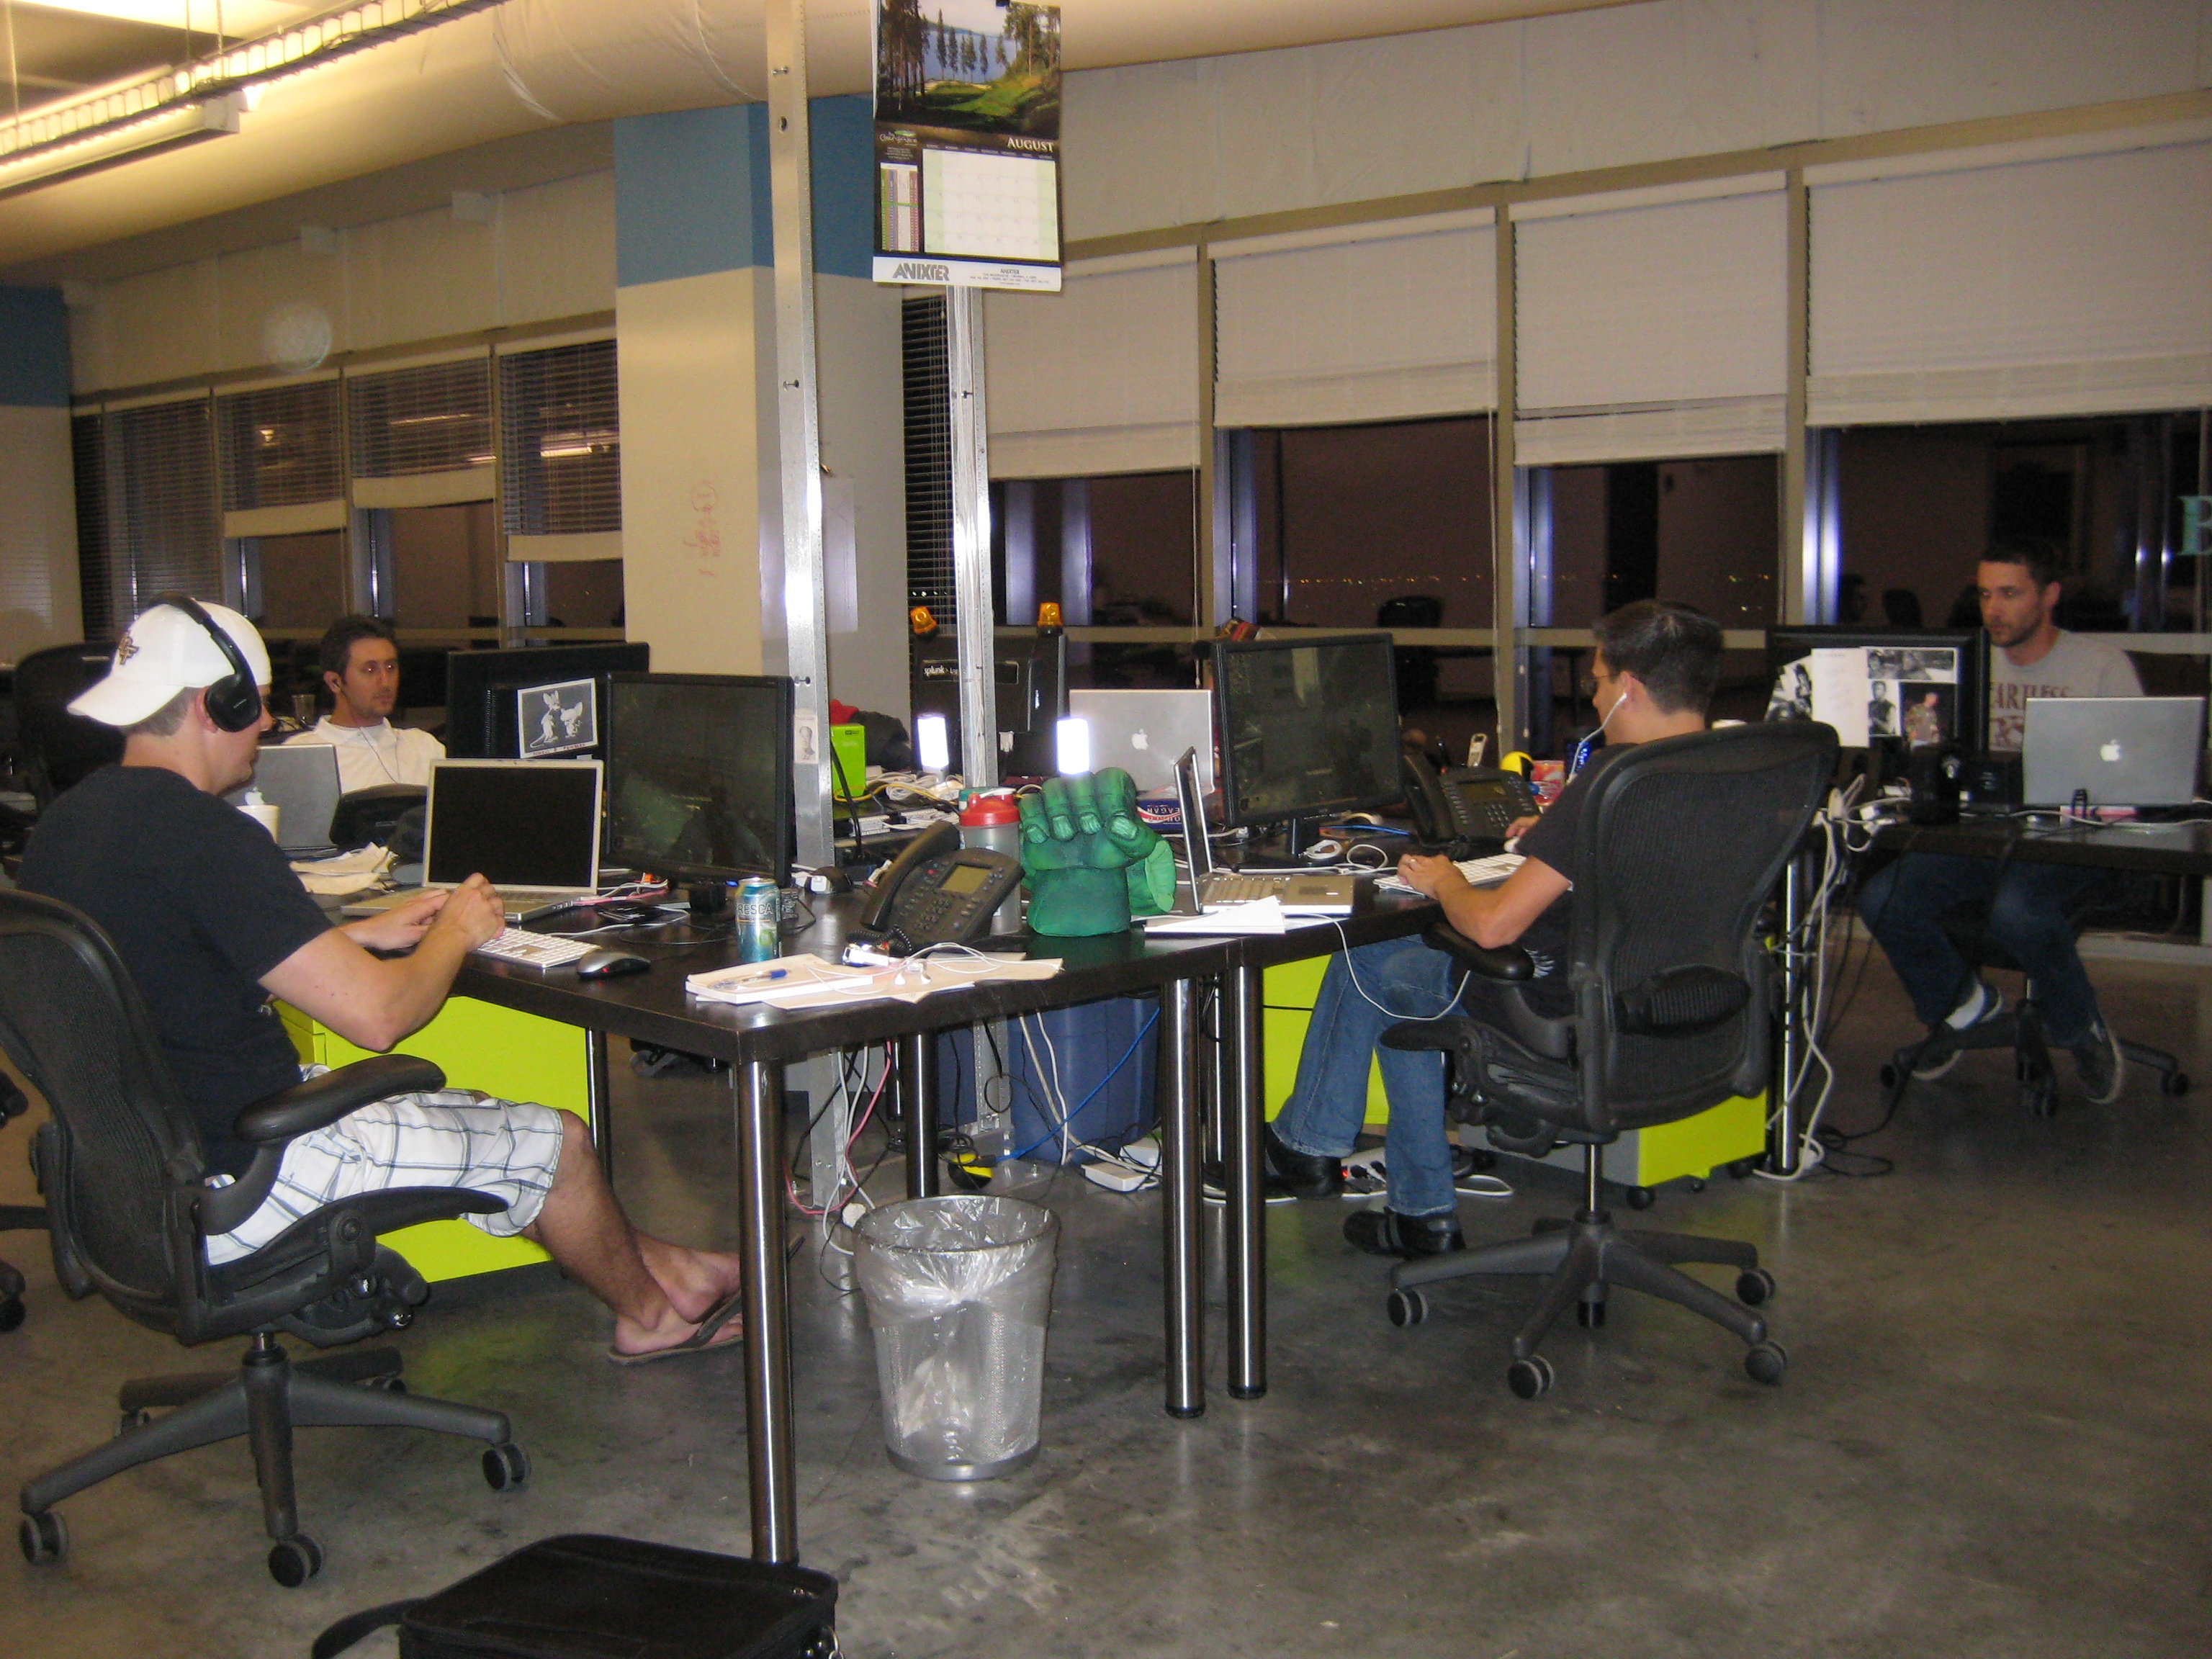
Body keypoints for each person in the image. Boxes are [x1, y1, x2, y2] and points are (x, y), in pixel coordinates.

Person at [19, 599, 743, 1363]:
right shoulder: (207, 836)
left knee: (486, 1131)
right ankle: (651, 1320)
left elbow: (168, 957)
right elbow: (380, 1018)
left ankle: (677, 1273)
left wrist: (350, 936)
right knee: (556, 1143)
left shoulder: (67, 828)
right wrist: (457, 930)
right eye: (255, 705)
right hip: (254, 1172)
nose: (264, 724)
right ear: (212, 706)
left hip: (144, 1179)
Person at [1265, 600, 1722, 1259]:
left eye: (1598, 681)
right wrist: (1555, 840)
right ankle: (1401, 1203)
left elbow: (1491, 925)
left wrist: (1443, 880)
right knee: (1398, 972)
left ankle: (1316, 1150)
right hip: (1677, 1006)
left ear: (1630, 687)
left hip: (1556, 1002)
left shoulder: (1611, 781)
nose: (1595, 699)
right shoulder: (1732, 768)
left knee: (1376, 965)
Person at [1858, 539, 2142, 1100]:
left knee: (2017, 908)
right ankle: (1963, 1009)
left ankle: (2078, 1025)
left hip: (2068, 839)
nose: (1994, 609)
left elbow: (2135, 766)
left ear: (2049, 596)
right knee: (1883, 898)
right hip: (1979, 835)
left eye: (2010, 594)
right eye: (1986, 594)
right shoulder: (1967, 662)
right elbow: (1929, 751)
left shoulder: (2101, 666)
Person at [312, 615, 445, 792]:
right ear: (335, 682)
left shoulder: (423, 747)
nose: (385, 682)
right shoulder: (305, 754)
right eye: (370, 670)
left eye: (390, 668)